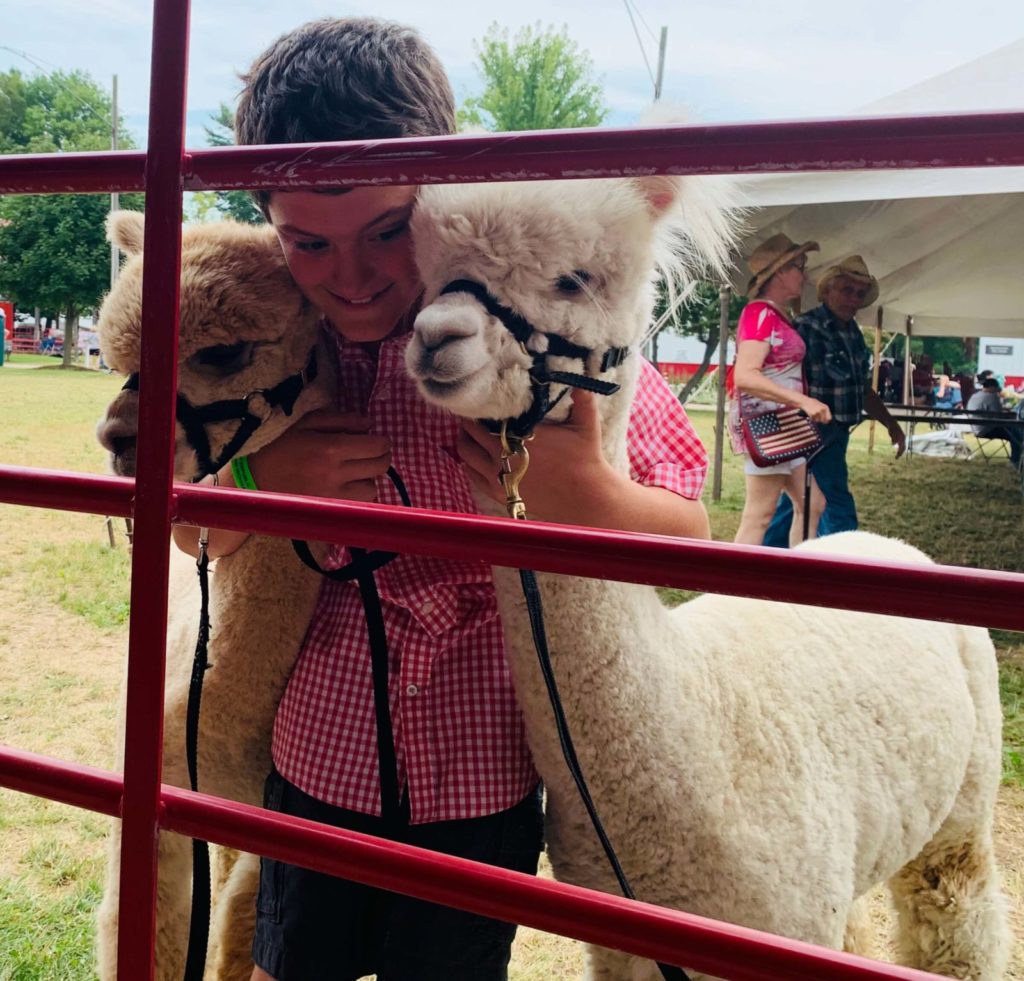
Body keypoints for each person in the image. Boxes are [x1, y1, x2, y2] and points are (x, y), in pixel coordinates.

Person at [172, 17, 714, 981]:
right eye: (308, 242)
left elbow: (691, 530)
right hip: (318, 753)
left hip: (484, 771)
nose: (355, 274)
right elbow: (185, 525)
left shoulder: (535, 337)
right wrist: (259, 479)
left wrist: (582, 491)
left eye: (387, 230)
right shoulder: (286, 345)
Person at [762, 255, 907, 548]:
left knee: (794, 501)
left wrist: (890, 423)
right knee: (835, 502)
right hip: (810, 430)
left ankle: (767, 560)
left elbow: (863, 389)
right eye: (845, 290)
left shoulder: (853, 334)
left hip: (836, 432)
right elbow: (777, 381)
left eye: (859, 293)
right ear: (827, 291)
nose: (853, 298)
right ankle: (843, 565)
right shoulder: (805, 328)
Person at [729, 234, 830, 545]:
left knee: (813, 505)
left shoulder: (775, 316)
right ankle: (732, 587)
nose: (805, 274)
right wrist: (803, 400)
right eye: (800, 266)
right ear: (781, 271)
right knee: (759, 514)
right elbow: (745, 375)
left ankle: (798, 578)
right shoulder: (759, 314)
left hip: (785, 426)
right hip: (768, 425)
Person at [967, 376, 1022, 467]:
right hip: (988, 429)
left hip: (976, 428)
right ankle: (1015, 460)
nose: (997, 390)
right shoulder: (992, 396)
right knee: (1016, 433)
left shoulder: (975, 395)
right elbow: (999, 415)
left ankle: (1016, 460)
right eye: (996, 388)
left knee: (1015, 431)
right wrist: (1010, 415)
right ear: (992, 387)